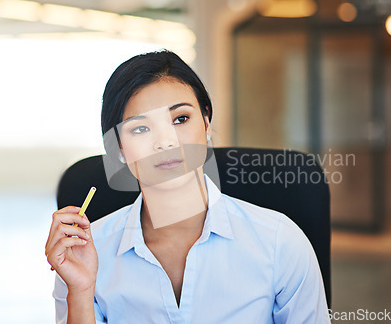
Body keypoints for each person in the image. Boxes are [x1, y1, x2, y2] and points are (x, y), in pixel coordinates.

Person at [45, 50, 330, 324]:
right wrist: (80, 291)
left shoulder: (280, 243)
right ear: (118, 147)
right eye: (140, 128)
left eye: (180, 119)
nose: (166, 142)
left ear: (206, 123)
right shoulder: (85, 253)